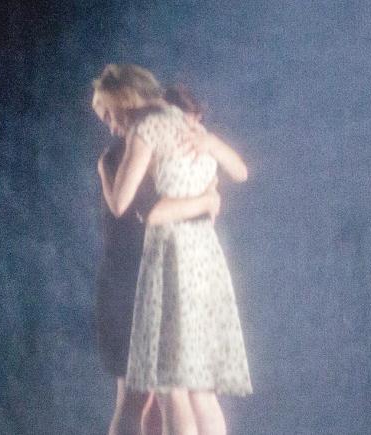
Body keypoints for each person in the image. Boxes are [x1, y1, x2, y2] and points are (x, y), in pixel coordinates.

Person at [91, 64, 251, 435]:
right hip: (178, 263)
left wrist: (105, 173)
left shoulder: (144, 137)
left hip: (161, 265)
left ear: (126, 102)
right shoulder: (183, 129)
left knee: (168, 390)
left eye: (110, 114)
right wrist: (208, 197)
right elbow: (237, 173)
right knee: (182, 391)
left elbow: (132, 208)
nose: (111, 126)